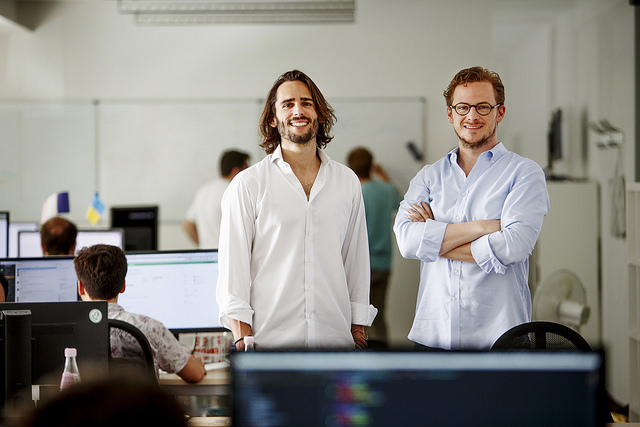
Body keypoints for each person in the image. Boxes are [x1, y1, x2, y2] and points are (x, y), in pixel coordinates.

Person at [216, 69, 377, 351]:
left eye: (306, 103)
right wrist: (243, 339)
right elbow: (233, 273)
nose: (298, 111)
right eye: (287, 104)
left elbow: (356, 262)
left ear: (320, 113)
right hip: (270, 346)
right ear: (273, 118)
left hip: (335, 344)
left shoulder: (346, 181)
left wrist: (358, 334)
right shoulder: (248, 185)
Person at [393, 66, 549, 351]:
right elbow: (406, 241)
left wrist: (433, 239)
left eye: (483, 107)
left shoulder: (524, 173)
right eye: (463, 107)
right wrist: (484, 227)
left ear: (499, 113)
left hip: (499, 339)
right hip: (433, 338)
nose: (472, 116)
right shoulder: (429, 176)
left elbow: (514, 247)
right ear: (451, 113)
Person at [74, 244, 206, 383]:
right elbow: (194, 374)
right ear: (123, 286)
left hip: (87, 405)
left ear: (80, 288)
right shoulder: (149, 328)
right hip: (139, 404)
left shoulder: (71, 330)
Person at [347, 147, 402, 346]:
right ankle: (382, 359)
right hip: (383, 263)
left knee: (355, 319)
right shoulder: (386, 190)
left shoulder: (352, 192)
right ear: (371, 165)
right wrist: (383, 176)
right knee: (379, 315)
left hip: (357, 266)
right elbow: (401, 201)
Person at [183, 149, 250, 249]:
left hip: (206, 256)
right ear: (236, 171)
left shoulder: (203, 191)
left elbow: (187, 225)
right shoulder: (234, 192)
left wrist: (203, 246)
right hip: (227, 257)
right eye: (247, 169)